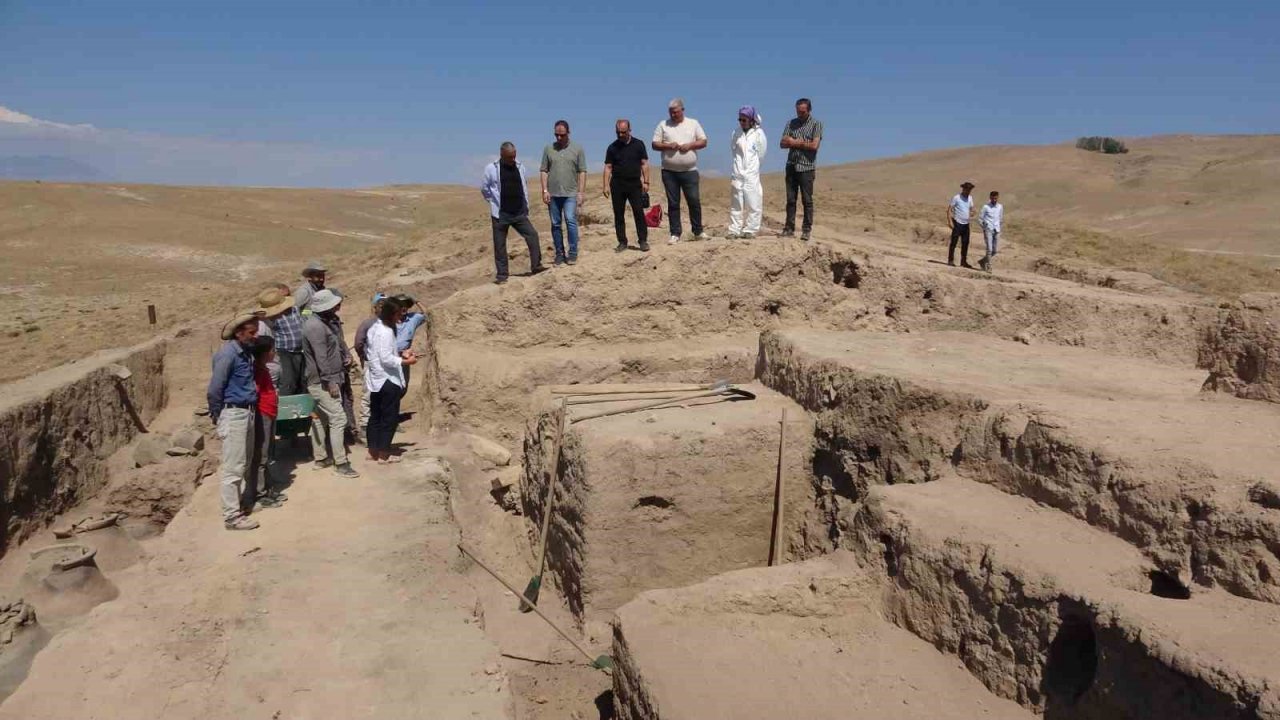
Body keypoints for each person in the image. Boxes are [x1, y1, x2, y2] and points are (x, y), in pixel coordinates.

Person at [207, 311, 261, 531]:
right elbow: (215, 388)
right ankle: (231, 517)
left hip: (246, 412)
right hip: (234, 413)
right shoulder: (227, 355)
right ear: (239, 333)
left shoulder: (244, 352)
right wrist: (218, 414)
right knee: (233, 468)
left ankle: (239, 505)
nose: (255, 336)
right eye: (251, 332)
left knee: (244, 462)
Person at [301, 289, 359, 477]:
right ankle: (340, 463)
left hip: (326, 379)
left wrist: (346, 356)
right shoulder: (315, 327)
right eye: (334, 305)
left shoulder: (324, 322)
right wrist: (330, 381)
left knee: (320, 419)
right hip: (322, 382)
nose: (337, 308)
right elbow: (321, 357)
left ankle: (321, 458)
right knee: (338, 418)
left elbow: (336, 344)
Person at [481, 142, 546, 285]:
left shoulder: (520, 167)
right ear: (502, 155)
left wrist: (525, 205)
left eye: (514, 156)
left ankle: (536, 266)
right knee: (500, 245)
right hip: (500, 213)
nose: (513, 159)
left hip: (518, 212)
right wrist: (493, 201)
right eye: (510, 157)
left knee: (532, 235)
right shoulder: (491, 168)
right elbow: (485, 189)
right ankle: (502, 275)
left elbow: (524, 187)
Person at [365, 297, 418, 462]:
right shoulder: (386, 332)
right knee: (389, 417)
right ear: (391, 314)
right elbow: (386, 359)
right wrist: (406, 361)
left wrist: (400, 353)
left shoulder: (374, 328)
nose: (400, 317)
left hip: (376, 379)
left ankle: (373, 451)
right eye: (398, 314)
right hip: (388, 379)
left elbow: (379, 352)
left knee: (375, 416)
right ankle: (384, 454)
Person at [652, 98, 709, 244]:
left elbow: (703, 141)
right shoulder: (663, 125)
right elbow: (654, 144)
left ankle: (698, 231)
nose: (673, 115)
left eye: (676, 112)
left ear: (682, 110)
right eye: (671, 112)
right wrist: (668, 146)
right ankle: (675, 233)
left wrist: (690, 146)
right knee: (673, 203)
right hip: (669, 172)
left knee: (694, 201)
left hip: (690, 171)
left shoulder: (693, 123)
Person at [243, 335, 285, 515]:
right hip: (263, 414)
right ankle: (259, 493)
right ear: (265, 353)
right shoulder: (257, 371)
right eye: (272, 350)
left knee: (267, 453)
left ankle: (268, 488)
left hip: (270, 412)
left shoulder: (263, 368)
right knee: (261, 455)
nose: (275, 352)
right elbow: (255, 393)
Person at [539, 121, 588, 266]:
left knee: (571, 220)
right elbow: (544, 170)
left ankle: (572, 252)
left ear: (568, 133)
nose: (559, 138)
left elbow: (582, 171)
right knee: (555, 224)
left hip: (570, 193)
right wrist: (545, 190)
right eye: (556, 135)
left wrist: (581, 192)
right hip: (553, 194)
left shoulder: (577, 149)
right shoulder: (549, 149)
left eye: (562, 135)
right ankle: (559, 254)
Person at [603, 119, 650, 253]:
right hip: (617, 184)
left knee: (638, 212)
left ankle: (643, 240)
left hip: (634, 184)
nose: (620, 135)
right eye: (618, 132)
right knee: (619, 214)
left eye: (623, 132)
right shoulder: (612, 147)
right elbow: (608, 167)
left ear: (629, 130)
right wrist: (605, 185)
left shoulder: (638, 144)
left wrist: (646, 181)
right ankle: (622, 242)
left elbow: (644, 163)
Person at [780, 98, 824, 241]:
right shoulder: (791, 123)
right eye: (798, 111)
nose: (800, 114)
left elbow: (814, 145)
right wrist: (799, 143)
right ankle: (789, 228)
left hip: (807, 167)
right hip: (792, 165)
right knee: (791, 199)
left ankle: (806, 230)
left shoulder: (816, 124)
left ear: (809, 110)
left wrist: (794, 142)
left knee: (807, 200)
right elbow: (782, 143)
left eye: (803, 112)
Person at [256, 285, 307, 395]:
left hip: (302, 349)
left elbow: (306, 313)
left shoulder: (295, 309)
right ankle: (286, 401)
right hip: (285, 352)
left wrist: (311, 311)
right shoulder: (270, 318)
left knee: (304, 378)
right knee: (289, 381)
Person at [727, 106, 768, 240]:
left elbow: (761, 154)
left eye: (744, 120)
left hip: (751, 173)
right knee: (736, 203)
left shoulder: (758, 134)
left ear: (751, 120)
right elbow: (734, 151)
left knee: (753, 201)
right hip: (738, 172)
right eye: (740, 120)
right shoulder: (736, 133)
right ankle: (734, 230)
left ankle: (751, 229)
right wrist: (738, 168)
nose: (742, 122)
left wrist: (752, 167)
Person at [354, 292, 385, 433]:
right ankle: (365, 424)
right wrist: (365, 357)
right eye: (381, 306)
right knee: (368, 394)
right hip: (372, 363)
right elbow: (358, 343)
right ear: (375, 308)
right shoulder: (367, 324)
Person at [948, 181, 977, 268]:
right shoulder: (957, 198)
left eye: (970, 190)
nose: (968, 191)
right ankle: (950, 260)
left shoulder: (970, 198)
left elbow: (972, 208)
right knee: (954, 242)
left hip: (966, 224)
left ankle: (963, 261)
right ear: (963, 189)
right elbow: (949, 209)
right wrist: (950, 221)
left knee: (965, 243)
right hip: (957, 223)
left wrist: (973, 212)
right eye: (967, 189)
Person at [979, 190, 1004, 273]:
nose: (994, 200)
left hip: (997, 229)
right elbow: (980, 219)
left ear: (998, 198)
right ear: (990, 197)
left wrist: (1000, 227)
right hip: (988, 229)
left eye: (995, 198)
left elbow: (1000, 218)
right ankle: (988, 266)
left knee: (994, 250)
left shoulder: (1000, 207)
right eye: (993, 198)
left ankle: (982, 261)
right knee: (989, 249)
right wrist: (984, 228)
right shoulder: (986, 207)